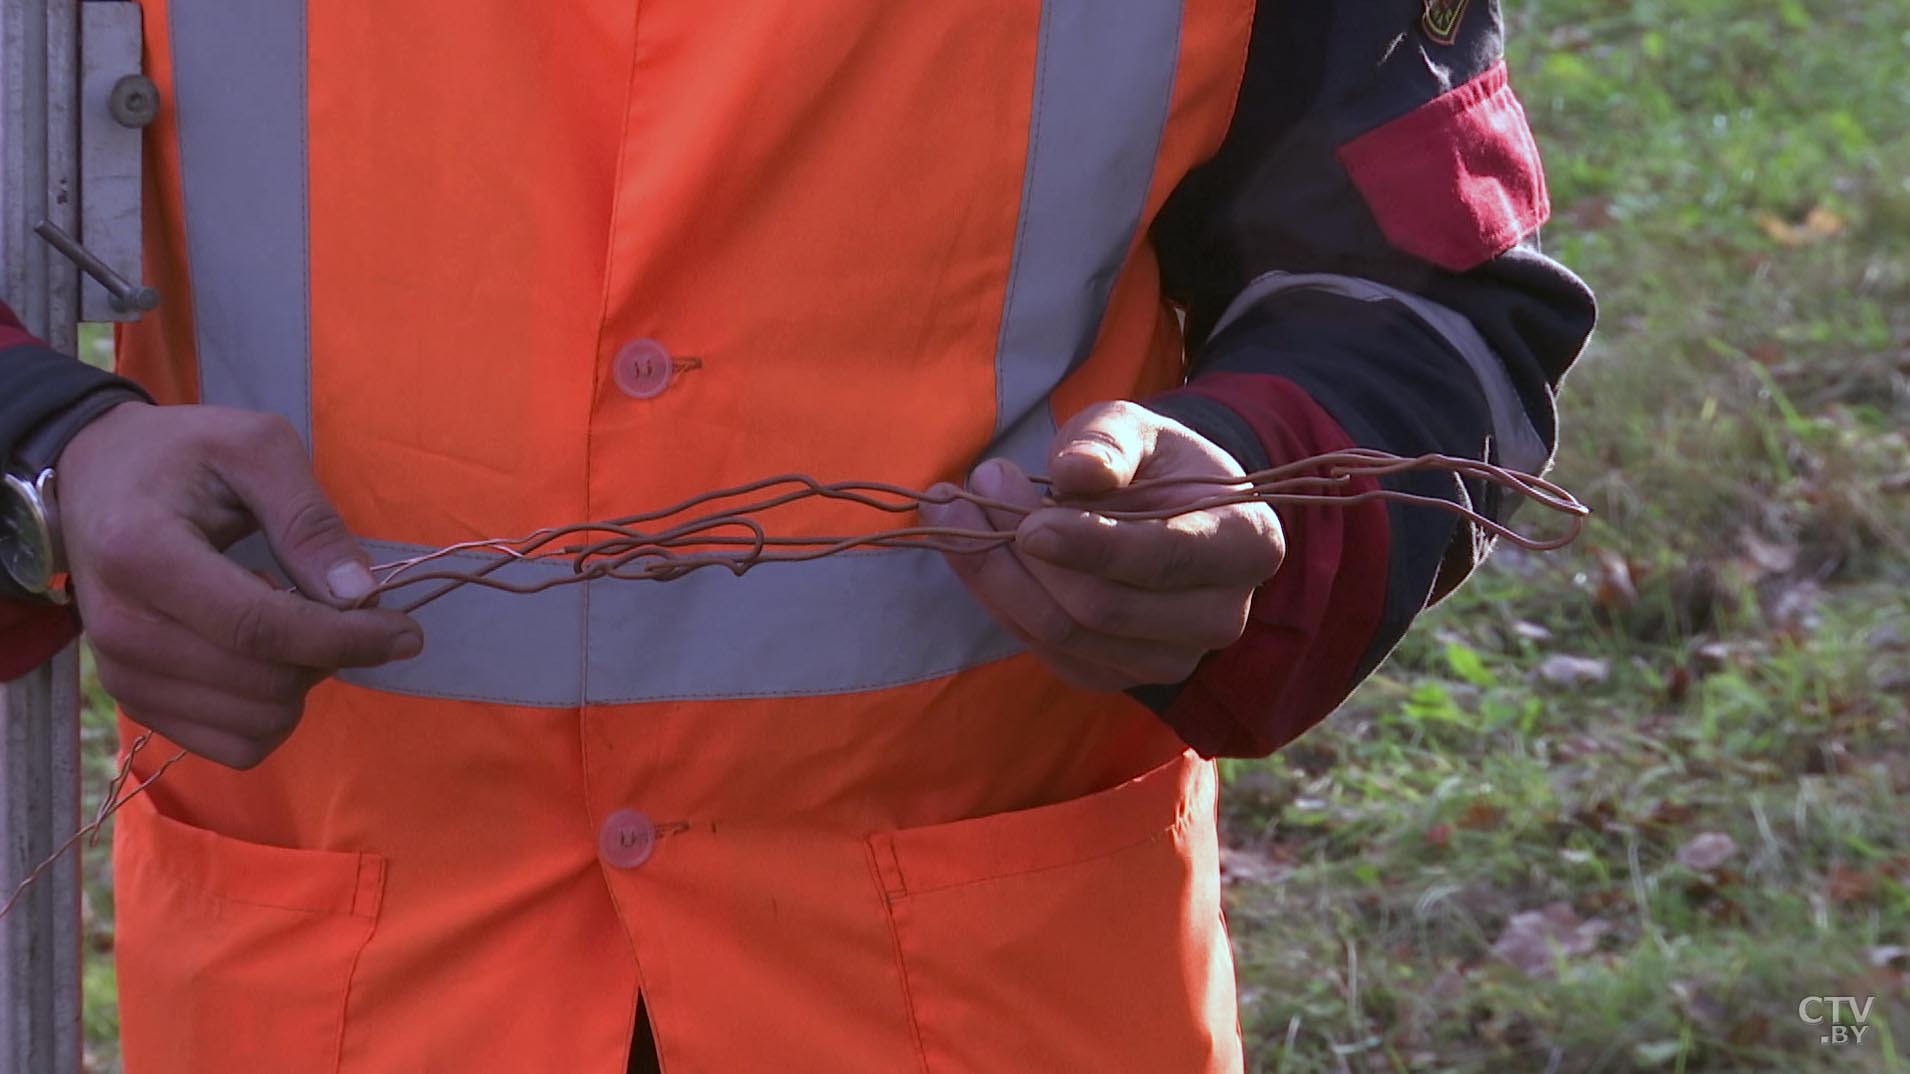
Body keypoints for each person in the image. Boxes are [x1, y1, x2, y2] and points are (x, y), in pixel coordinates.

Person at [0, 2, 1594, 1071]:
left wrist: (1250, 476)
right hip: (335, 1001)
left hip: (985, 1000)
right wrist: (48, 463)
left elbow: (1423, 289)